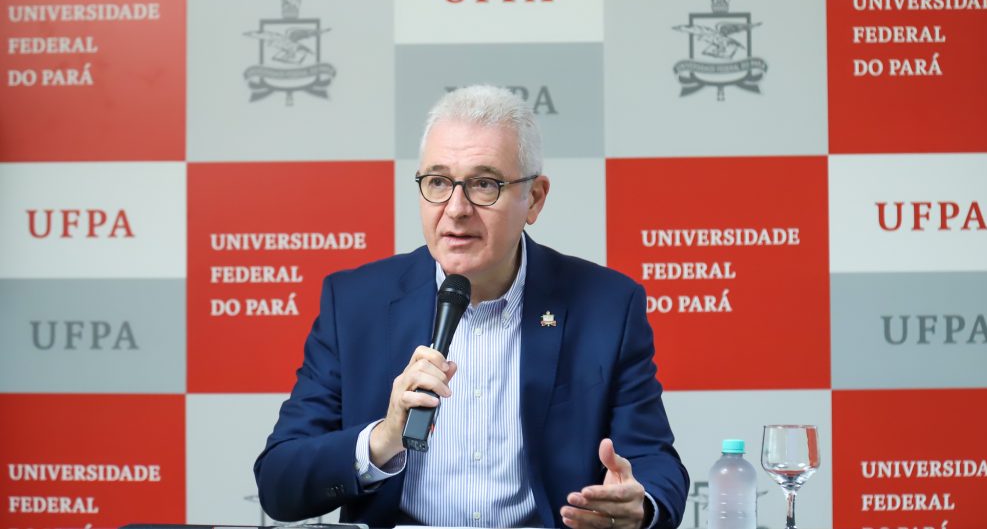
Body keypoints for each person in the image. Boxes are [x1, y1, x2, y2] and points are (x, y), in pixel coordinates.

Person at [254, 85, 688, 528]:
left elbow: (655, 461)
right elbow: (278, 483)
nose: (456, 209)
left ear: (534, 199)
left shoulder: (606, 305)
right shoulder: (354, 304)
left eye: (484, 184)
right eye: (438, 182)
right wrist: (382, 440)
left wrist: (640, 505)